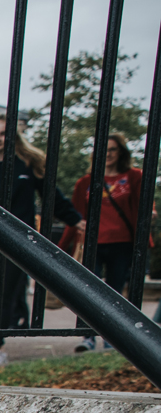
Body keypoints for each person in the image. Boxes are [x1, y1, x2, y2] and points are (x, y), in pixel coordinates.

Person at [0, 114, 79, 367]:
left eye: (3, 133)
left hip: (18, 245)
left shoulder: (26, 167)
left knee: (5, 294)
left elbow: (53, 198)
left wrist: (76, 220)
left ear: (12, 136)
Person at [60, 131, 146, 352]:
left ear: (121, 152)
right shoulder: (86, 182)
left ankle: (112, 339)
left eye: (112, 149)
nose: (107, 154)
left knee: (115, 292)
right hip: (92, 243)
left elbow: (144, 205)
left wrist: (150, 216)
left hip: (122, 242)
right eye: (103, 150)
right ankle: (87, 336)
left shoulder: (134, 176)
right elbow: (75, 217)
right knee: (89, 290)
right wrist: (60, 248)